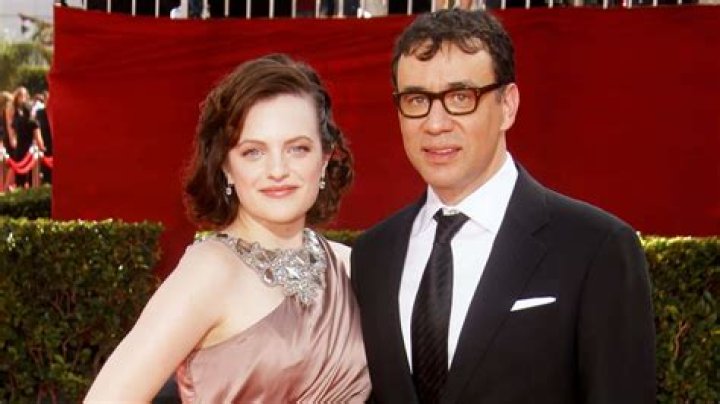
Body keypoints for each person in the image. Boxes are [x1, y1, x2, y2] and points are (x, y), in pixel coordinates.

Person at [350, 9, 655, 403]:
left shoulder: (596, 247)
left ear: (508, 105)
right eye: (416, 99)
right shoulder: (372, 255)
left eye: (460, 97)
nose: (435, 123)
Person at [85, 54, 370, 402]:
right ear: (226, 167)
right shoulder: (209, 273)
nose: (277, 170)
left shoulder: (352, 268)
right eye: (253, 152)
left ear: (324, 159)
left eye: (297, 148)